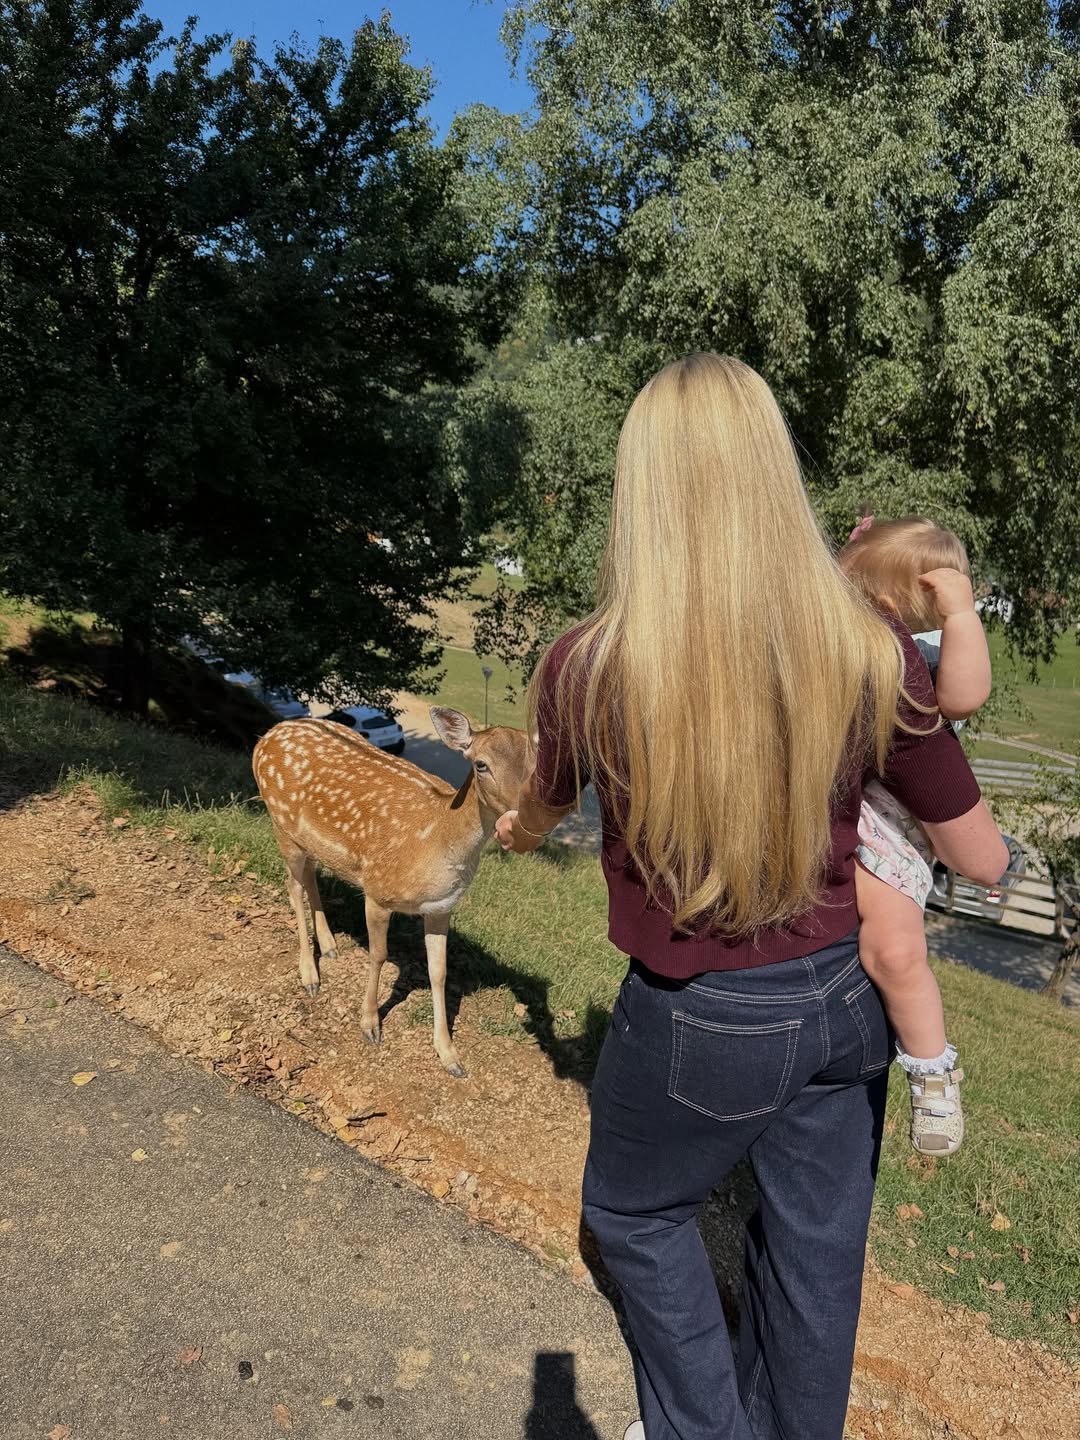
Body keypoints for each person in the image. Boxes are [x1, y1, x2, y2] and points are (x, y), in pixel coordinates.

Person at [494, 354, 1007, 1440]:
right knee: (815, 1263)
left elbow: (543, 801)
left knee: (632, 1217)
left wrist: (521, 825)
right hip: (846, 1002)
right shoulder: (866, 652)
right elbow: (979, 858)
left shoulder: (586, 665)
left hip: (699, 1012)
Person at [840, 517, 992, 1154]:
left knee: (894, 952)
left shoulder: (921, 660)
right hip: (838, 813)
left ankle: (932, 1073)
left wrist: (960, 619)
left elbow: (963, 697)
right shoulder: (836, 635)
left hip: (891, 826)